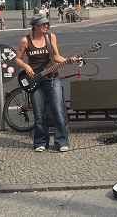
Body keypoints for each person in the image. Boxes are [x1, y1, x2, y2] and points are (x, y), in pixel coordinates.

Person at [14, 13, 77, 152]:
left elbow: (56, 56)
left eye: (47, 24)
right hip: (35, 80)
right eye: (43, 24)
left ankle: (61, 142)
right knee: (38, 113)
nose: (47, 26)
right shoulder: (25, 41)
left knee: (58, 111)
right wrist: (27, 67)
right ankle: (41, 142)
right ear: (35, 26)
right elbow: (17, 58)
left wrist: (69, 60)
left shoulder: (50, 37)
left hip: (53, 78)